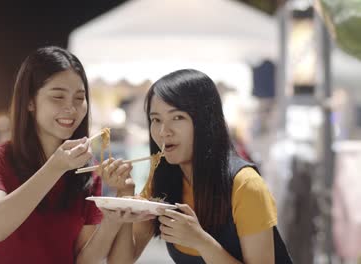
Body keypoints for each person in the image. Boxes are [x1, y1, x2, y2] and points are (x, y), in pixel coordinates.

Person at [103, 69, 292, 263]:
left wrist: (201, 242)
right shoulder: (162, 178)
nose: (163, 131)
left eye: (177, 118)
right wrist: (125, 197)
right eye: (156, 119)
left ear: (205, 121)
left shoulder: (246, 185)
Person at [0, 46, 133, 263]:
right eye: (58, 97)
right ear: (30, 101)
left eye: (79, 98)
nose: (71, 108)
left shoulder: (87, 169)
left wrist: (113, 221)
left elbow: (83, 260)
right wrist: (54, 168)